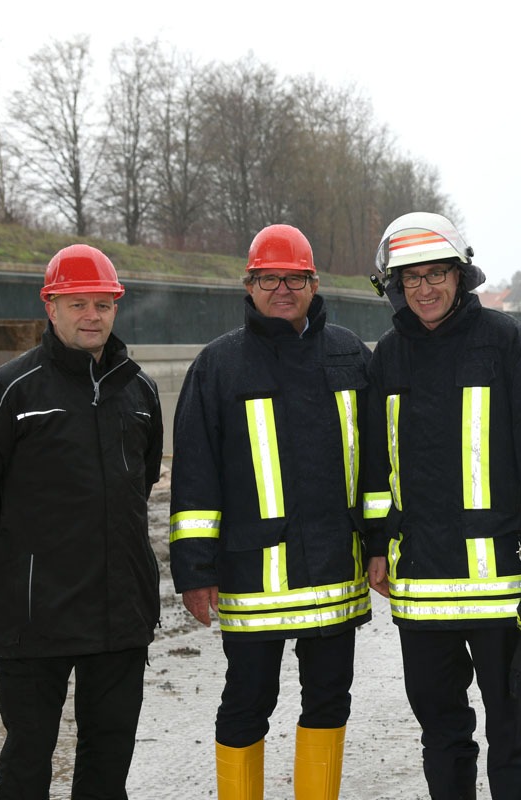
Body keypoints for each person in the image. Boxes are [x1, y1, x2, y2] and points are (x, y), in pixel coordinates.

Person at [0, 244, 165, 800]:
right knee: (27, 763)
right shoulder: (8, 392)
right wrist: (20, 565)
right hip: (34, 617)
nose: (92, 315)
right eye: (77, 304)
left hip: (120, 615)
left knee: (108, 762)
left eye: (103, 303)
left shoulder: (139, 392)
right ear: (51, 306)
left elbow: (141, 485)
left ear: (116, 307)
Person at [363, 212, 521, 800]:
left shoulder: (505, 342)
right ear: (395, 287)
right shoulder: (387, 358)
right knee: (440, 727)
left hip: (497, 574)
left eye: (436, 275)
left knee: (510, 725)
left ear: (461, 275)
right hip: (421, 580)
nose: (425, 289)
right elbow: (376, 468)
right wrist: (377, 545)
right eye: (411, 279)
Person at [168, 223, 375, 800]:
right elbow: (195, 478)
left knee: (331, 700)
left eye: (294, 279)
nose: (281, 289)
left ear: (314, 283)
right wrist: (194, 573)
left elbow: (381, 462)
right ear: (250, 285)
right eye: (268, 279)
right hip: (252, 579)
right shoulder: (218, 365)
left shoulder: (349, 355)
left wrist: (380, 545)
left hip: (336, 571)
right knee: (246, 704)